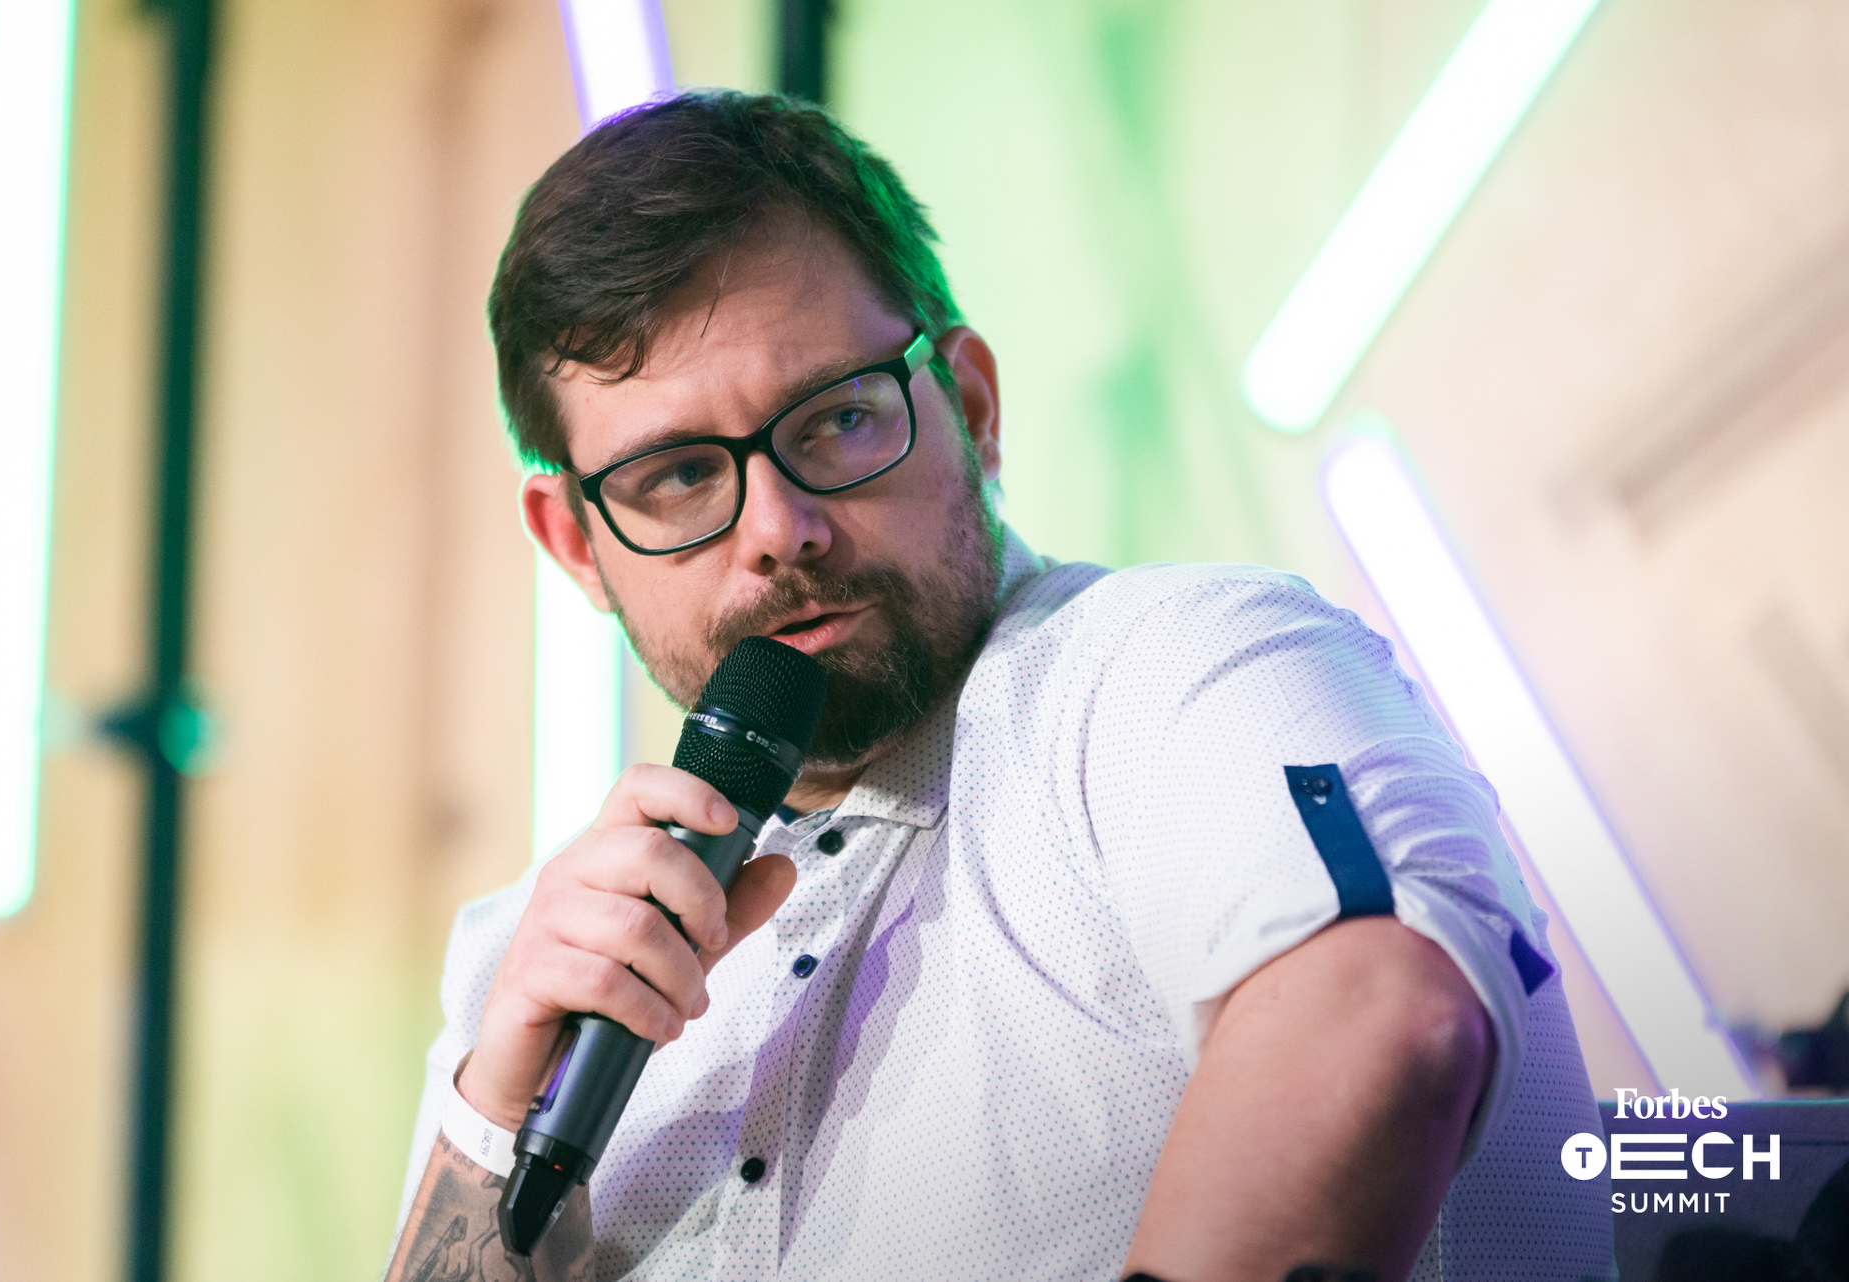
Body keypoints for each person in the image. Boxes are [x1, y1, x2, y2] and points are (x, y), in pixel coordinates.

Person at [384, 91, 1613, 1282]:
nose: (777, 528)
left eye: (837, 420)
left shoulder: (1173, 669)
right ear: (576, 543)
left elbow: (1379, 1019)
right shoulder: (528, 962)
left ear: (970, 405)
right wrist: (493, 1116)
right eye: (677, 478)